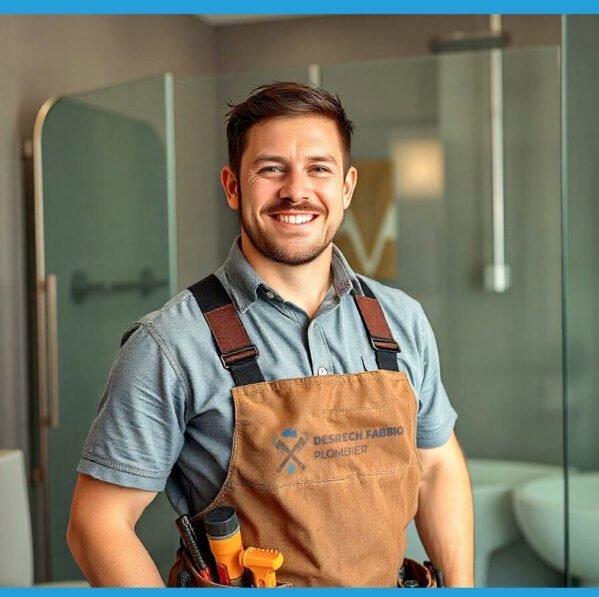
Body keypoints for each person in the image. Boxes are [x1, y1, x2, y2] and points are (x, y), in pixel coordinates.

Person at [66, 82, 474, 587]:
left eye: (318, 168)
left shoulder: (401, 320)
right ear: (233, 185)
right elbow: (97, 524)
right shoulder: (170, 344)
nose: (296, 191)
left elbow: (437, 469)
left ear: (347, 187)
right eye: (271, 168)